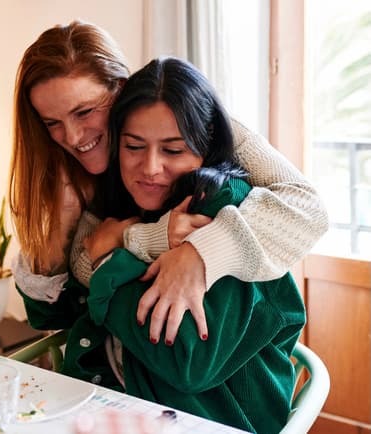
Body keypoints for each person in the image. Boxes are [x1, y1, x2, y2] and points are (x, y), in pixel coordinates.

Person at [9, 21, 327, 345]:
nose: (73, 137)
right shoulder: (65, 167)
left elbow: (308, 207)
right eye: (52, 123)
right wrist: (65, 221)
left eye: (85, 111)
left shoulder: (200, 129)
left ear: (120, 89)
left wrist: (199, 253)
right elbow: (50, 313)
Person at [48, 57, 304, 434]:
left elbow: (189, 361)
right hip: (115, 409)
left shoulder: (227, 210)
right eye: (134, 146)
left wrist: (107, 263)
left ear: (205, 146)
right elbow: (65, 297)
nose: (150, 168)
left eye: (173, 150)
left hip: (215, 420)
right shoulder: (126, 207)